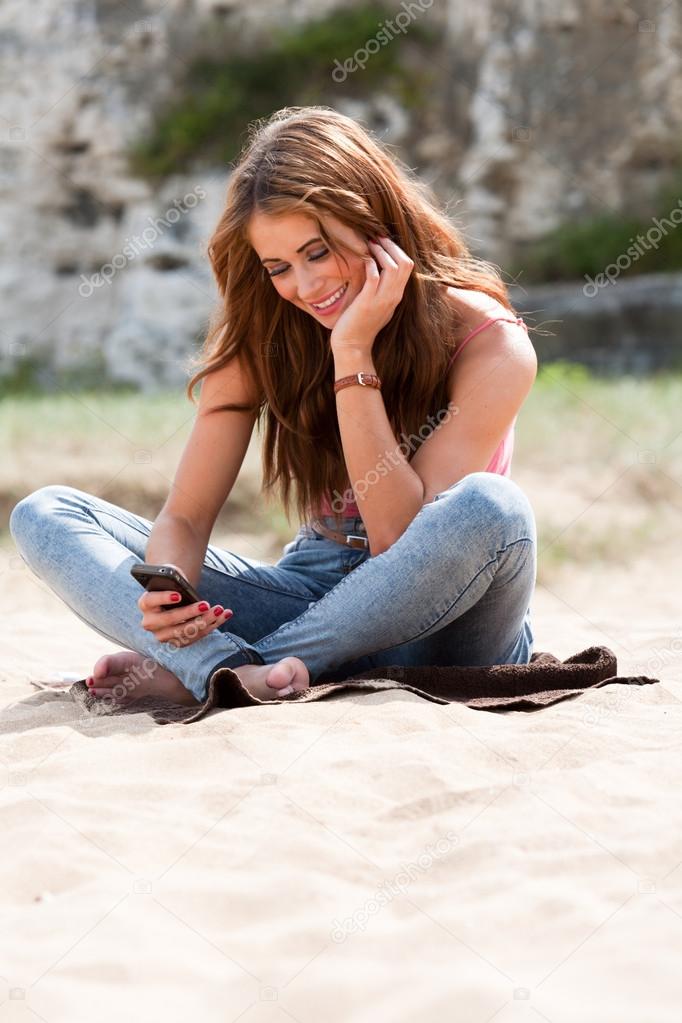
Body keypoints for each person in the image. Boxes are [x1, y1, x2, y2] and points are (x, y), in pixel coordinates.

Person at [9, 105, 538, 710]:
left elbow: (398, 539)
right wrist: (168, 596)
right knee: (45, 513)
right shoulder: (268, 333)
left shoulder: (490, 344)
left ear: (375, 223)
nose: (306, 287)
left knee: (494, 508)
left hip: (450, 622)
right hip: (316, 595)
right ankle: (225, 666)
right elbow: (183, 519)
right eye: (279, 267)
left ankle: (233, 670)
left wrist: (353, 352)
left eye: (318, 253)